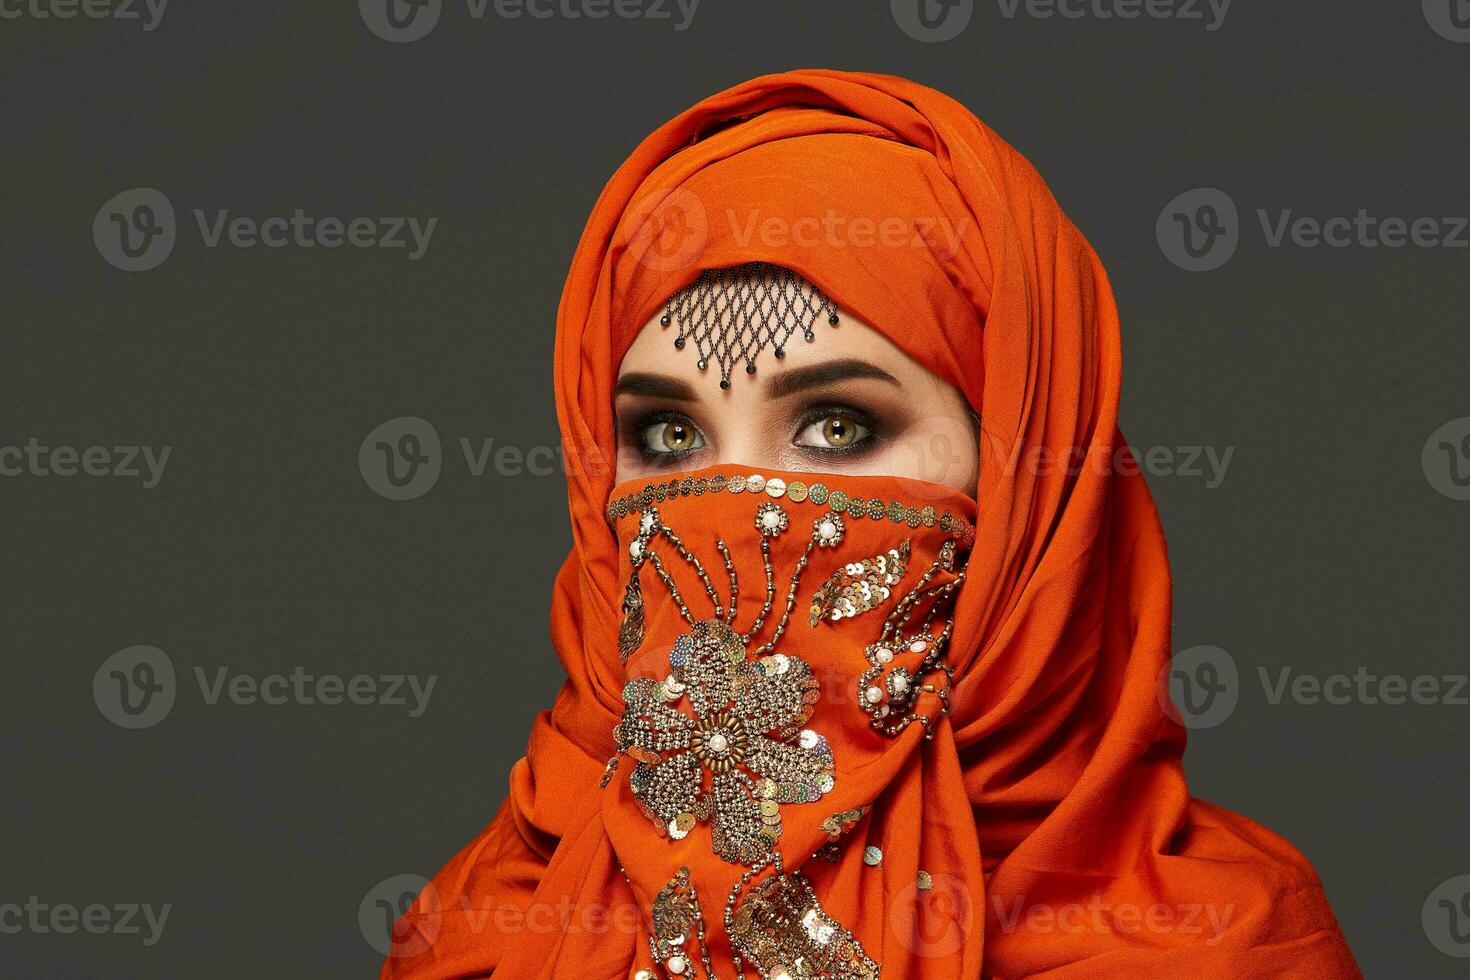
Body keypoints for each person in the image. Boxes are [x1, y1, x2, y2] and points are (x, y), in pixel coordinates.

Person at [381, 69, 1360, 979]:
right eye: (668, 432)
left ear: (1023, 476)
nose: (737, 498)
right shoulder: (481, 926)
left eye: (837, 424)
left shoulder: (1223, 940)